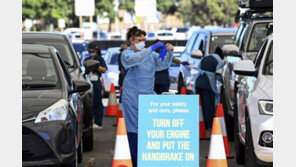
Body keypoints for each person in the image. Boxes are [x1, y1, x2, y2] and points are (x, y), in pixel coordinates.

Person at [121, 26, 174, 166]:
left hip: (148, 95)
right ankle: (136, 161)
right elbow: (135, 59)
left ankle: (148, 160)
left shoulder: (149, 54)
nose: (143, 42)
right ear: (131, 40)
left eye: (145, 40)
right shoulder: (126, 55)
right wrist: (151, 49)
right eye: (140, 39)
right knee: (133, 129)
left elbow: (163, 64)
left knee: (149, 130)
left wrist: (168, 52)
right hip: (132, 97)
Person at [194, 46, 224, 129]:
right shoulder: (220, 61)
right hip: (208, 84)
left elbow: (199, 68)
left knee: (201, 105)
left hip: (199, 81)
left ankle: (200, 124)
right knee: (209, 105)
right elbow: (219, 75)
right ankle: (209, 125)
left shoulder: (205, 57)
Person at [84, 46, 107, 129]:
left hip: (96, 82)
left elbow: (104, 70)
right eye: (89, 50)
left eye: (92, 50)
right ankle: (89, 122)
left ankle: (98, 122)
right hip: (88, 82)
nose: (91, 52)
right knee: (88, 104)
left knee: (97, 103)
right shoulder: (87, 58)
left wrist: (95, 66)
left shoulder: (100, 59)